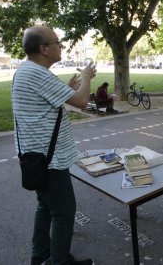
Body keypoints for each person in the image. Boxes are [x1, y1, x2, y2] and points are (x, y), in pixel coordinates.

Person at [12, 26, 96, 265]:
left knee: (45, 207)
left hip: (35, 158)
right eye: (57, 42)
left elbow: (45, 105)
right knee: (63, 212)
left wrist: (68, 88)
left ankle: (40, 257)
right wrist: (87, 77)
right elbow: (81, 101)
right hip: (50, 160)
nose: (61, 46)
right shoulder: (39, 74)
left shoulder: (25, 71)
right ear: (44, 49)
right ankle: (59, 262)